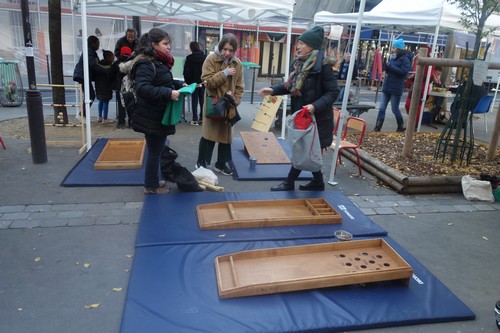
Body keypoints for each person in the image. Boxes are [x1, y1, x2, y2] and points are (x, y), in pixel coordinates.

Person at [257, 25, 339, 191]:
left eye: (302, 43)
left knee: (303, 149)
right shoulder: (300, 64)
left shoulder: (323, 66)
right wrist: (273, 90)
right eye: (299, 43)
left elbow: (333, 92)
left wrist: (315, 106)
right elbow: (290, 86)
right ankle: (317, 182)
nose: (298, 46)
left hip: (317, 119)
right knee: (305, 149)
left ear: (312, 46)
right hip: (302, 117)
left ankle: (289, 182)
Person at [123, 27, 183, 194]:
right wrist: (169, 93)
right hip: (151, 115)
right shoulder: (145, 63)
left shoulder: (157, 61)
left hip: (156, 113)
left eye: (169, 43)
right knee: (155, 152)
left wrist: (178, 85)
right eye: (165, 44)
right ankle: (151, 187)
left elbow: (160, 81)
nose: (168, 47)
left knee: (156, 150)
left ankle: (153, 181)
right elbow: (143, 88)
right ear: (154, 45)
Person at [195, 33, 244, 176]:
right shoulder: (211, 59)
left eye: (231, 50)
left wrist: (236, 100)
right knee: (209, 134)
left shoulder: (237, 63)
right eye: (225, 49)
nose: (227, 53)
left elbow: (240, 86)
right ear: (220, 47)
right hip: (214, 102)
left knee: (226, 136)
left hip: (229, 105)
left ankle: (221, 163)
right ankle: (201, 162)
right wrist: (224, 73)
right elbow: (207, 82)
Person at [373, 38, 413, 132]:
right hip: (387, 85)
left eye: (394, 47)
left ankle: (400, 125)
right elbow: (391, 70)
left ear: (399, 49)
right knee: (382, 107)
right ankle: (377, 127)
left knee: (395, 109)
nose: (392, 49)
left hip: (396, 86)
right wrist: (386, 67)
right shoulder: (393, 57)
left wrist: (391, 66)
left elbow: (404, 72)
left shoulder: (405, 59)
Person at [73, 35, 108, 117]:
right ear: (92, 44)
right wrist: (105, 71)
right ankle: (82, 114)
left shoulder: (90, 51)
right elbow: (94, 65)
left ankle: (82, 114)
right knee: (90, 95)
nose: (98, 45)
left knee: (89, 95)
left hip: (82, 75)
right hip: (83, 76)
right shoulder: (89, 52)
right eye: (97, 43)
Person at [183, 41, 207, 126]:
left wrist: (188, 82)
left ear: (191, 48)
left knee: (194, 100)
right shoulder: (205, 58)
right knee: (202, 100)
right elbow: (207, 70)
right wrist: (204, 82)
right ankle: (202, 118)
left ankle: (194, 118)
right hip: (202, 82)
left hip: (193, 83)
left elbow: (186, 72)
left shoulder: (189, 58)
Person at [114, 46, 134, 128]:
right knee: (131, 105)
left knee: (121, 105)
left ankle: (121, 123)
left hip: (119, 88)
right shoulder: (132, 63)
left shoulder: (116, 63)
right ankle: (131, 122)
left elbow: (111, 74)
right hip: (130, 87)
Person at [94, 50, 115, 123]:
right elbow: (111, 77)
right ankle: (105, 118)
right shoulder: (109, 67)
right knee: (106, 101)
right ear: (107, 58)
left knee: (100, 100)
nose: (113, 60)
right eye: (112, 58)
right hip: (106, 86)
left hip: (98, 86)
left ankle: (99, 116)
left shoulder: (98, 65)